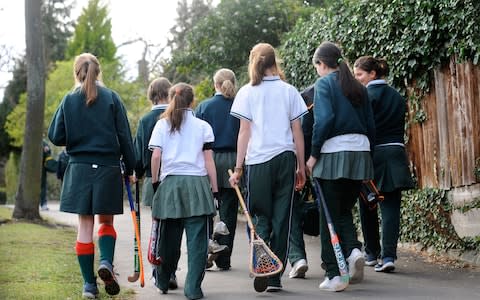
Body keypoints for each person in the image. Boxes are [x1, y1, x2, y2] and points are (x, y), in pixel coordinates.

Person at [48, 53, 136, 299]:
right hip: (107, 168)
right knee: (105, 223)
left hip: (79, 170)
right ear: (98, 72)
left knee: (85, 226)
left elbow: (55, 136)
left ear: (77, 73)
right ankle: (106, 262)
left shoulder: (68, 99)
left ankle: (89, 286)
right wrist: (131, 169)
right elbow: (125, 138)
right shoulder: (112, 98)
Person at [228, 43, 307, 292]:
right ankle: (275, 277)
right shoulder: (289, 91)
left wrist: (238, 168)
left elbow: (244, 132)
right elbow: (298, 132)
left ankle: (261, 263)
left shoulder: (247, 92)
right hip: (285, 158)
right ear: (276, 61)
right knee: (283, 218)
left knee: (260, 216)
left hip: (258, 161)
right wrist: (301, 166)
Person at [306, 41, 375, 292]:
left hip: (334, 154)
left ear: (321, 64)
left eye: (317, 66)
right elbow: (370, 124)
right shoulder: (358, 86)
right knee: (343, 209)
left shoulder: (323, 84)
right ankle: (355, 250)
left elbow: (323, 121)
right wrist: (370, 157)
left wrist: (313, 156)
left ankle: (334, 274)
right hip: (361, 152)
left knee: (327, 216)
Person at [149, 83, 218, 300]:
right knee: (197, 241)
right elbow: (209, 161)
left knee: (168, 240)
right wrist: (215, 191)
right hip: (197, 185)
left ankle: (162, 280)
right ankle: (192, 289)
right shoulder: (203, 126)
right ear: (192, 101)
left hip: (170, 185)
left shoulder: (162, 125)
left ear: (171, 100)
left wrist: (155, 182)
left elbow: (156, 156)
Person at [353, 56, 414, 273]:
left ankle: (371, 253)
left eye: (359, 74)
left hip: (372, 154)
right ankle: (388, 256)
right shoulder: (398, 96)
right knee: (391, 207)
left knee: (367, 203)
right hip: (396, 153)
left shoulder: (363, 96)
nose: (356, 78)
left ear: (372, 74)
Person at [133, 77, 178, 289]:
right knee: (174, 228)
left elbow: (141, 152)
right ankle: (171, 271)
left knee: (158, 227)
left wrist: (138, 173)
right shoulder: (176, 116)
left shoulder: (145, 120)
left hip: (154, 179)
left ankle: (158, 270)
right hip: (177, 176)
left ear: (153, 95)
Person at [195, 68, 240, 271]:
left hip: (209, 159)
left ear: (215, 84)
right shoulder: (240, 105)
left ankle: (205, 251)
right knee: (229, 211)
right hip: (233, 160)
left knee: (207, 208)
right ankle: (224, 259)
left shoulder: (204, 106)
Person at [287, 85, 315, 279]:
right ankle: (298, 258)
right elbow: (303, 134)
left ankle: (296, 258)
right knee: (291, 210)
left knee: (285, 214)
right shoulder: (292, 96)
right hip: (297, 161)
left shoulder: (250, 93)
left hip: (265, 161)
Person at [40, 139, 57, 211]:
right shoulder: (31, 141)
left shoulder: (44, 143)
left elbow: (48, 153)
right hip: (34, 169)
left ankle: (43, 203)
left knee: (43, 187)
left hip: (42, 169)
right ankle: (42, 204)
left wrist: (47, 150)